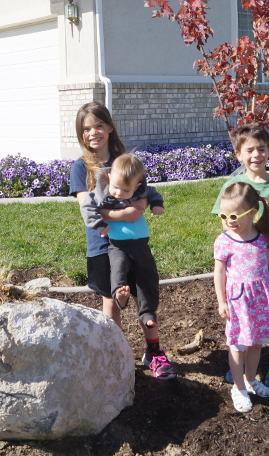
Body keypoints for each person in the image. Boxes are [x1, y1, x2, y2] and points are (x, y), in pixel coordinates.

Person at [69, 102, 177, 380]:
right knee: (112, 300)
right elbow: (90, 210)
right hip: (102, 246)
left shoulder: (126, 162)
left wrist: (140, 206)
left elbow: (143, 195)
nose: (93, 132)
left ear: (110, 126)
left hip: (135, 246)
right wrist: (127, 213)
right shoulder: (80, 168)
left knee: (144, 295)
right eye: (86, 129)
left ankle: (154, 353)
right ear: (80, 135)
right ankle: (115, 354)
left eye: (98, 126)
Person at [211, 123, 269, 388]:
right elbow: (225, 227)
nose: (256, 155)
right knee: (242, 320)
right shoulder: (232, 187)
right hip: (241, 272)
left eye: (261, 149)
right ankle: (241, 368)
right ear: (238, 154)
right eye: (249, 150)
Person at [213, 182, 269, 413]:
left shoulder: (262, 238)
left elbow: (267, 261)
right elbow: (220, 272)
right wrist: (222, 301)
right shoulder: (224, 241)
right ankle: (239, 387)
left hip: (260, 299)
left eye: (234, 215)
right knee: (238, 344)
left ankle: (251, 379)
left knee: (255, 343)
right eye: (223, 215)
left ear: (252, 213)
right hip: (238, 302)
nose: (228, 220)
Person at [80, 153, 165, 329]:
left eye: (126, 191)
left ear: (137, 186)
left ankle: (148, 311)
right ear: (109, 177)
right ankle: (120, 295)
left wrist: (156, 204)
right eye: (116, 187)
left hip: (141, 246)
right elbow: (87, 207)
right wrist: (98, 224)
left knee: (148, 277)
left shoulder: (140, 190)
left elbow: (153, 192)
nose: (119, 194)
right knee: (117, 270)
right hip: (117, 246)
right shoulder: (101, 194)